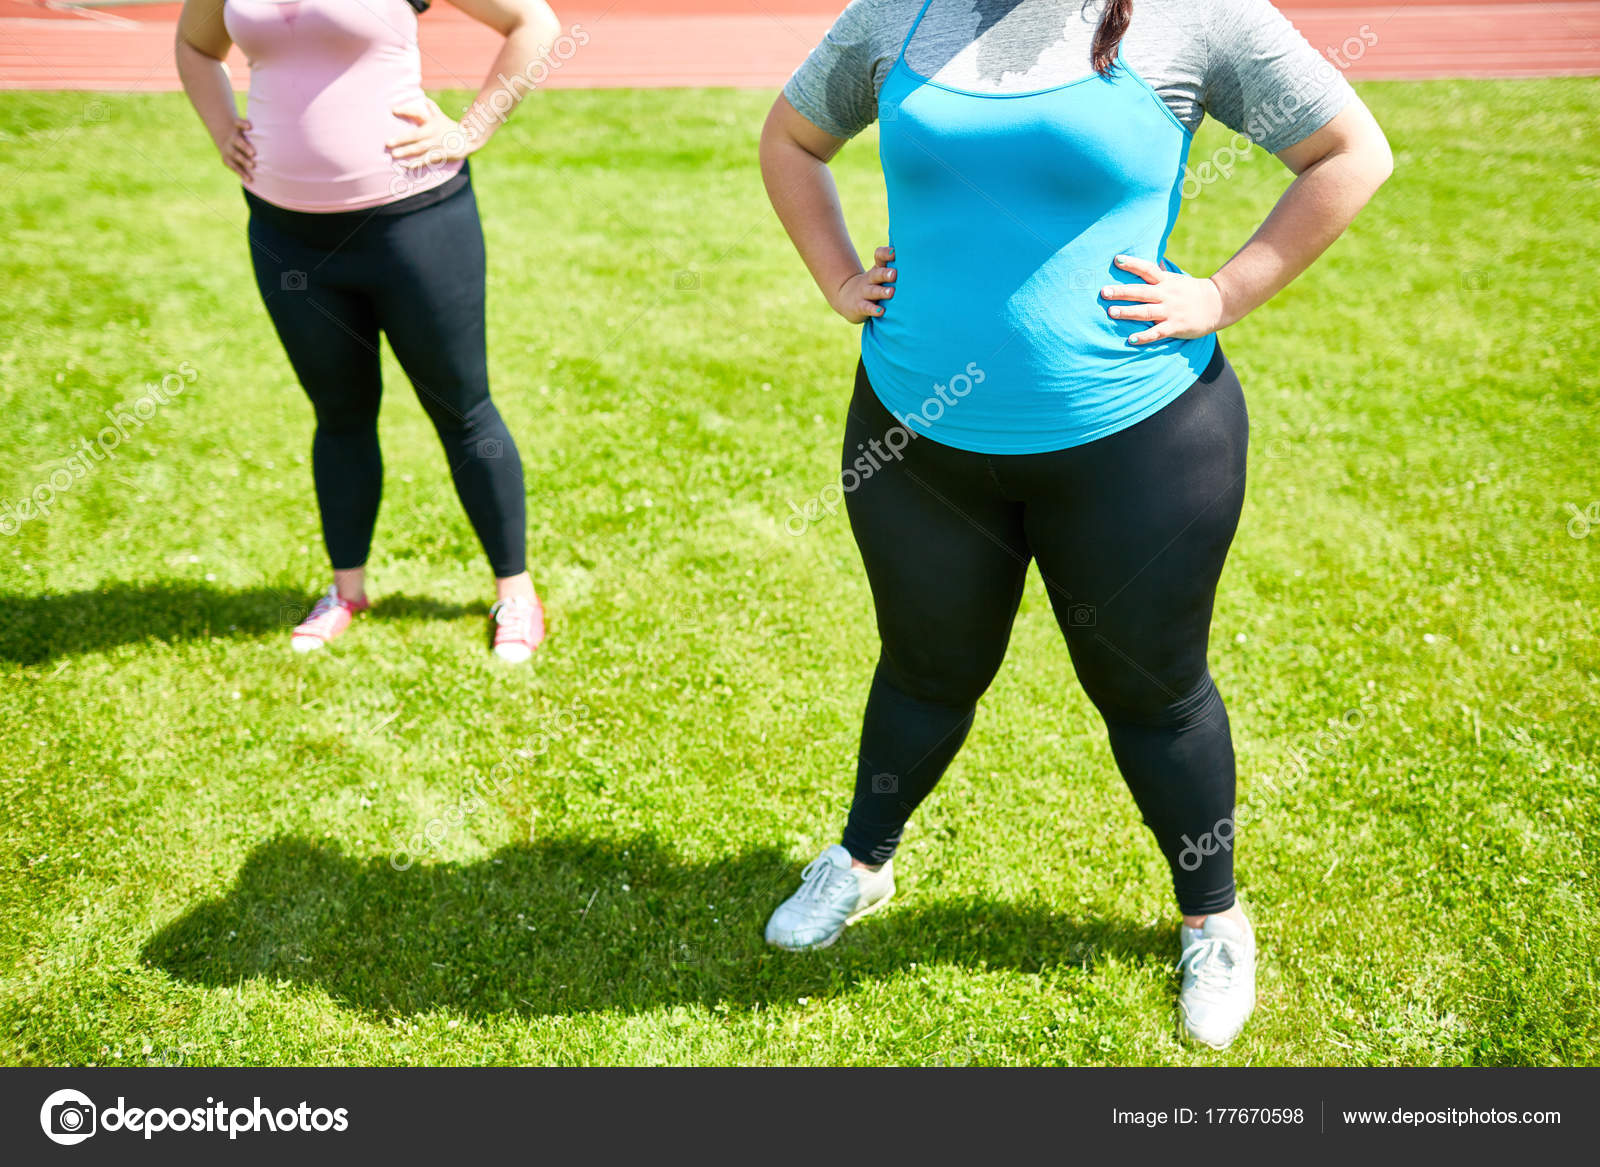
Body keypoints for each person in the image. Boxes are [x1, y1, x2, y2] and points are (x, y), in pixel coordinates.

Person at [758, 0, 1392, 1049]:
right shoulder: (896, 14)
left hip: (1136, 440)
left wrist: (1225, 293)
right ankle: (861, 862)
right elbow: (790, 137)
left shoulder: (1196, 17)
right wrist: (836, 277)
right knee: (923, 668)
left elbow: (1347, 151)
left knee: (1153, 693)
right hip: (917, 437)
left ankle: (1213, 917)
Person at [175, 0, 562, 661]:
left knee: (461, 408)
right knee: (340, 413)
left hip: (414, 224)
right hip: (285, 236)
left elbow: (535, 23)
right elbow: (195, 44)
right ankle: (345, 591)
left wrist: (472, 127)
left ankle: (516, 593)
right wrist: (221, 132)